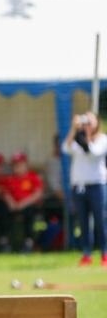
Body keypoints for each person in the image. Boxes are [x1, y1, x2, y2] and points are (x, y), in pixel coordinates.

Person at [61, 110, 107, 266]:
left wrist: (86, 134)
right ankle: (86, 254)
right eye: (85, 121)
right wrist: (74, 129)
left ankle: (104, 253)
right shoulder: (77, 139)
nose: (86, 124)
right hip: (79, 187)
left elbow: (92, 152)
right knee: (83, 221)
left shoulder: (102, 139)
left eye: (90, 121)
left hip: (97, 185)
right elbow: (66, 148)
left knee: (100, 220)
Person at [2, 152, 44, 252]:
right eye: (15, 164)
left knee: (29, 213)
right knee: (2, 211)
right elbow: (5, 193)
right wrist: (11, 203)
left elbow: (38, 194)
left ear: (26, 164)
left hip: (29, 206)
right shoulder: (10, 179)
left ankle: (28, 242)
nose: (17, 167)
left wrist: (22, 204)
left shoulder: (33, 177)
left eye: (20, 164)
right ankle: (5, 242)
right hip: (14, 207)